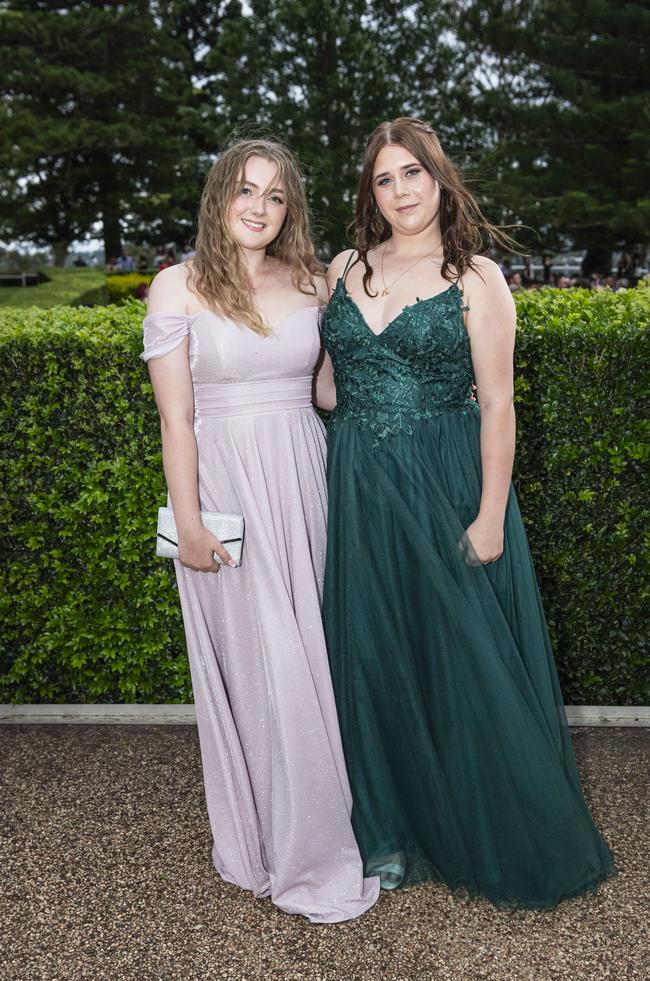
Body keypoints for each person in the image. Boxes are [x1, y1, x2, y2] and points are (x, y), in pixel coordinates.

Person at [318, 117, 615, 908]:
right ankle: (388, 826)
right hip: (358, 487)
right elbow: (321, 380)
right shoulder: (345, 263)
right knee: (377, 653)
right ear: (369, 193)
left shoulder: (477, 276)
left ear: (439, 178)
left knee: (463, 659)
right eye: (384, 179)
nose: (400, 190)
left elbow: (500, 404)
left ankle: (484, 829)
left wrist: (490, 515)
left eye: (411, 173)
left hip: (443, 482)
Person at [140, 138, 378, 923]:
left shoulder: (311, 279)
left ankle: (323, 825)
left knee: (316, 656)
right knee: (262, 665)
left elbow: (329, 393)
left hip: (305, 480)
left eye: (276, 196)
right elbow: (177, 418)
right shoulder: (177, 285)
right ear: (219, 197)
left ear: (291, 208)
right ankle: (283, 841)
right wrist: (190, 521)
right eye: (246, 191)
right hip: (225, 493)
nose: (259, 207)